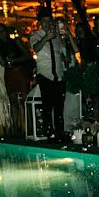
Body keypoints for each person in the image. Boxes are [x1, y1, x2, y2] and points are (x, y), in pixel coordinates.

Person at [28, 8, 67, 137]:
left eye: (48, 20)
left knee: (59, 106)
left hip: (58, 74)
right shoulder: (36, 35)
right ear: (40, 22)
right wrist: (46, 37)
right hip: (45, 74)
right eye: (43, 21)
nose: (46, 23)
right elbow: (36, 48)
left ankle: (59, 132)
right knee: (47, 105)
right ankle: (49, 132)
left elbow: (60, 52)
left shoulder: (56, 36)